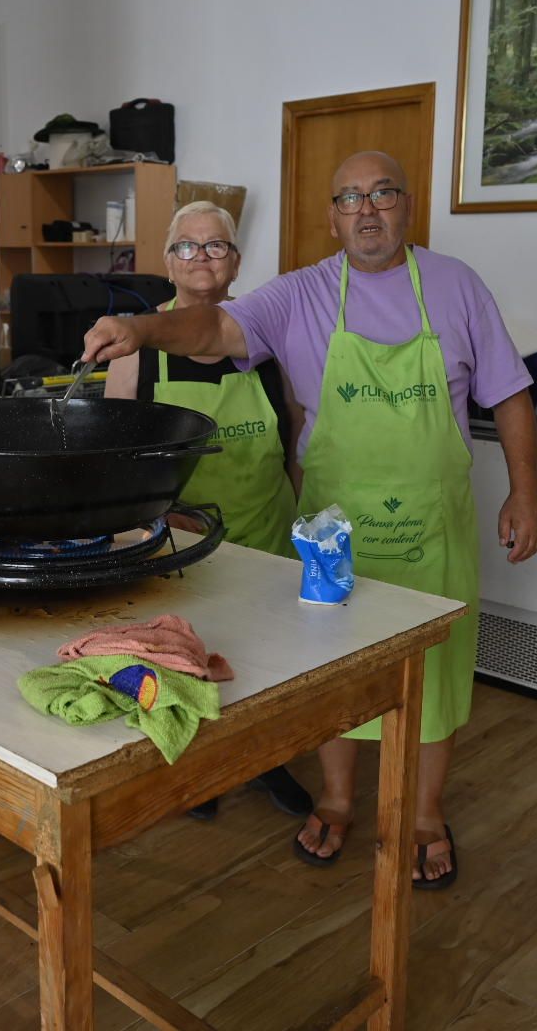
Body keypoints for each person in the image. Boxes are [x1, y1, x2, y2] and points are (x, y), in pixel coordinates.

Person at [82, 151, 537, 888]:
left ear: (406, 205)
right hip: (335, 532)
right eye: (350, 197)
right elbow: (212, 331)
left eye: (382, 193)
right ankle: (336, 796)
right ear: (331, 217)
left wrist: (527, 491)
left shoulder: (457, 288)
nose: (367, 209)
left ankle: (425, 814)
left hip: (437, 526)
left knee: (440, 673)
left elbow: (511, 395)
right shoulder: (296, 296)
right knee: (333, 675)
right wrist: (143, 330)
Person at [107, 200, 312, 821]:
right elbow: (119, 460)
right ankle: (196, 769)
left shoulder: (270, 345)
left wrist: (302, 522)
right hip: (182, 548)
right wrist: (155, 523)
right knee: (189, 659)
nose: (202, 257)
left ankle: (266, 758)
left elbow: (295, 439)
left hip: (266, 538)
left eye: (215, 246)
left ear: (237, 263)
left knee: (269, 663)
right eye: (187, 247)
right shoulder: (136, 348)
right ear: (168, 263)